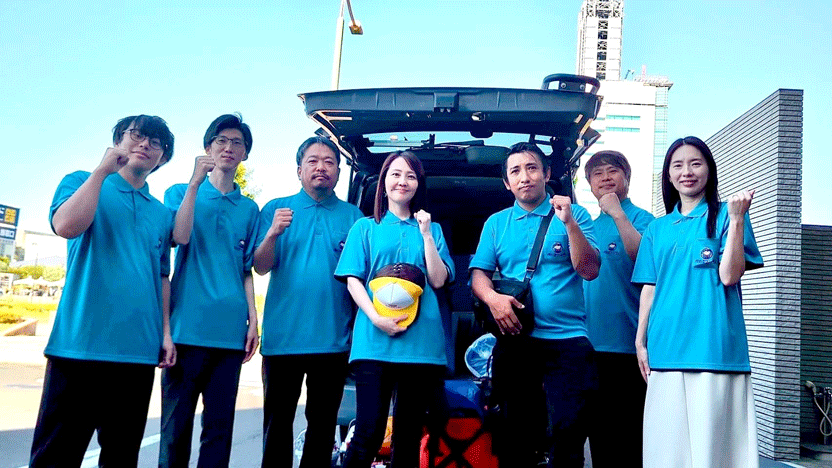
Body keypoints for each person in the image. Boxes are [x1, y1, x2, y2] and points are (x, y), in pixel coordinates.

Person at [30, 115, 176, 467]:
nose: (145, 144)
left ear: (162, 158)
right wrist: (101, 172)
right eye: (136, 135)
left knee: (121, 457)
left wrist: (165, 334)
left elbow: (161, 277)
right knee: (56, 456)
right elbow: (66, 225)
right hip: (80, 346)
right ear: (117, 140)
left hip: (138, 354)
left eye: (156, 142)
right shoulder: (82, 181)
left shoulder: (161, 214)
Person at [633, 136, 763, 468]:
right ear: (668, 175)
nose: (687, 172)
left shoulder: (728, 217)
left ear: (709, 169)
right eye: (678, 165)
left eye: (695, 163)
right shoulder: (657, 229)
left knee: (715, 455)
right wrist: (640, 341)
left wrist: (737, 219)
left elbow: (730, 275)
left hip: (715, 350)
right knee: (666, 455)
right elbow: (649, 288)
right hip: (666, 349)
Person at [470, 142, 600, 467]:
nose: (524, 177)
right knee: (516, 437)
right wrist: (493, 299)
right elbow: (478, 276)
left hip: (568, 341)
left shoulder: (575, 214)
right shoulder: (496, 223)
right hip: (516, 341)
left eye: (531, 168)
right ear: (507, 183)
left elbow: (589, 270)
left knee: (568, 432)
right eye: (515, 171)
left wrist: (569, 224)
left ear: (546, 173)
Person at [335, 151, 454, 468]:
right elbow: (353, 279)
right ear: (384, 181)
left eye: (411, 176)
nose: (403, 181)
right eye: (396, 174)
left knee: (408, 437)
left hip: (421, 347)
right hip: (374, 343)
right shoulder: (365, 227)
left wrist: (426, 235)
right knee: (368, 433)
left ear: (418, 184)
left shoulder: (433, 230)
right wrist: (376, 318)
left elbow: (438, 279)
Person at [253, 136, 363, 467]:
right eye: (312, 161)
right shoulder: (276, 209)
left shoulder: (353, 217)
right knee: (277, 424)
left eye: (329, 162)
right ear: (299, 169)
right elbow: (260, 266)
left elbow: (361, 277)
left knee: (323, 425)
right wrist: (273, 233)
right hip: (282, 340)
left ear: (339, 172)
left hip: (333, 340)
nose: (321, 167)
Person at [159, 114, 260, 467]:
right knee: (175, 430)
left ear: (245, 154)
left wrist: (253, 321)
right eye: (221, 141)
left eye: (237, 143)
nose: (229, 148)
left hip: (229, 335)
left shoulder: (249, 208)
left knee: (219, 430)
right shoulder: (179, 192)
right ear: (207, 147)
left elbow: (246, 269)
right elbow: (179, 236)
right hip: (186, 329)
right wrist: (194, 184)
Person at [582, 150, 654, 466]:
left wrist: (618, 214)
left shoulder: (645, 221)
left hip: (630, 349)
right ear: (589, 184)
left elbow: (644, 259)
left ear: (627, 177)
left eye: (612, 171)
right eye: (597, 174)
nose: (605, 178)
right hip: (589, 349)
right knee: (599, 438)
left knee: (631, 440)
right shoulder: (585, 225)